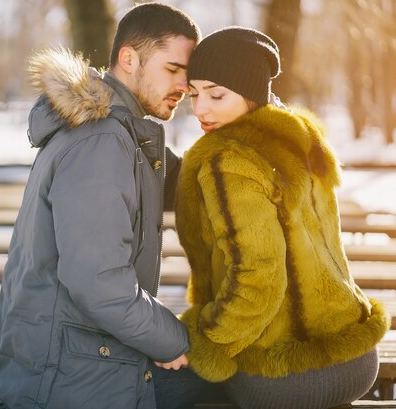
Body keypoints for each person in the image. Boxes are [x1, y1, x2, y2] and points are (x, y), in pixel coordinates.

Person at [0, 2, 202, 409]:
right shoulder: (102, 142)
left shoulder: (124, 135)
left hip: (74, 354)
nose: (185, 87)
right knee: (248, 381)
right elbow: (100, 284)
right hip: (66, 373)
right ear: (128, 58)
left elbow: (194, 184)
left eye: (189, 76)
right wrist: (174, 340)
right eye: (173, 70)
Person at [167, 26, 390, 409]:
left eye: (216, 94)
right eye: (194, 93)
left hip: (281, 374)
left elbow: (260, 279)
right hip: (356, 358)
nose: (201, 108)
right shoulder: (301, 137)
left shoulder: (230, 160)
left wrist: (206, 344)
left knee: (152, 385)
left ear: (252, 92)